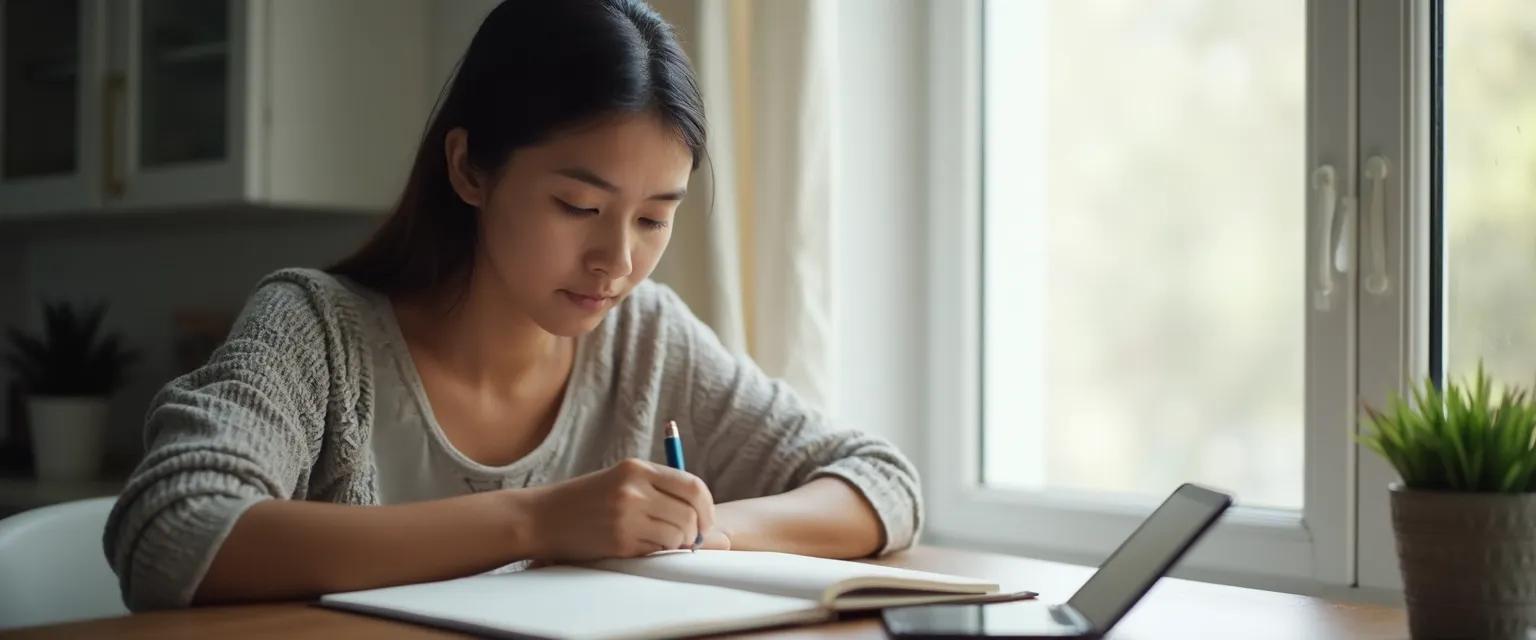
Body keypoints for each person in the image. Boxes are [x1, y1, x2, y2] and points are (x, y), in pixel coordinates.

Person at [102, 0, 921, 612]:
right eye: (577, 206)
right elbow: (173, 532)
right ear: (470, 169)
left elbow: (880, 483)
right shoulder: (316, 331)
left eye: (653, 218)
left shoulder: (647, 336)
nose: (617, 261)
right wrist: (538, 523)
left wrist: (699, 533)